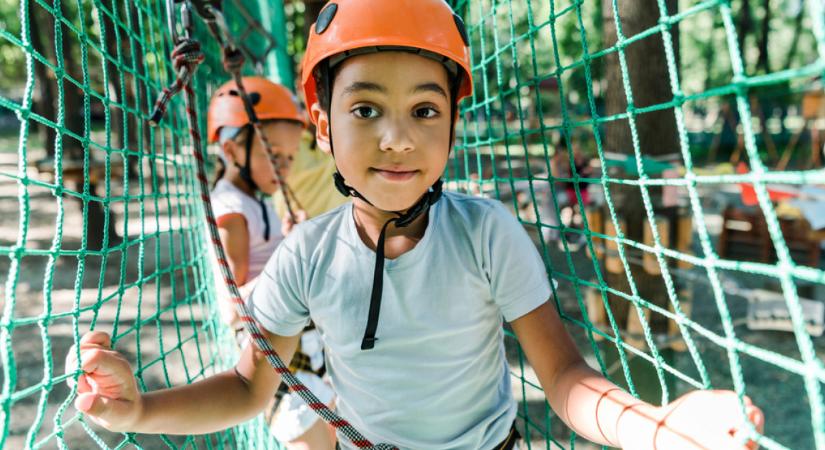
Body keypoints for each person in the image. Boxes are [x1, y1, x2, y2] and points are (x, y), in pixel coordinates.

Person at [68, 1, 763, 449]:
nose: (397, 138)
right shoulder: (306, 258)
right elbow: (250, 388)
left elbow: (565, 378)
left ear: (452, 122)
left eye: (425, 110)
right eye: (365, 109)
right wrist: (139, 412)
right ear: (321, 125)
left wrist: (659, 427)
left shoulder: (486, 234)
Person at [207, 76, 335, 449]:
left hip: (300, 343)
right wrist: (294, 264)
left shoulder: (258, 200)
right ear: (232, 151)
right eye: (274, 157)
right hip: (274, 356)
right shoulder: (231, 211)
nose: (283, 169)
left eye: (290, 159)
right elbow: (234, 306)